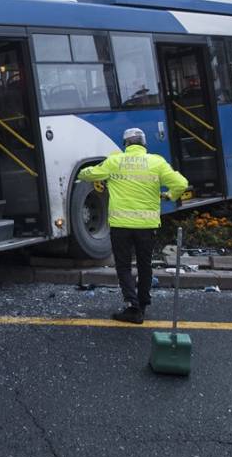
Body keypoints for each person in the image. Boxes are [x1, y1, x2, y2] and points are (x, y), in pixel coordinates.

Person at [78, 127, 189, 324]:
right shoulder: (156, 162)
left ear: (126, 144)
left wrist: (91, 172)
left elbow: (88, 174)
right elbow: (181, 183)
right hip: (146, 226)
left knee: (123, 266)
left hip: (121, 226)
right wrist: (170, 196)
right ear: (144, 143)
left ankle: (132, 306)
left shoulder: (115, 160)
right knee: (145, 266)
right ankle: (143, 305)